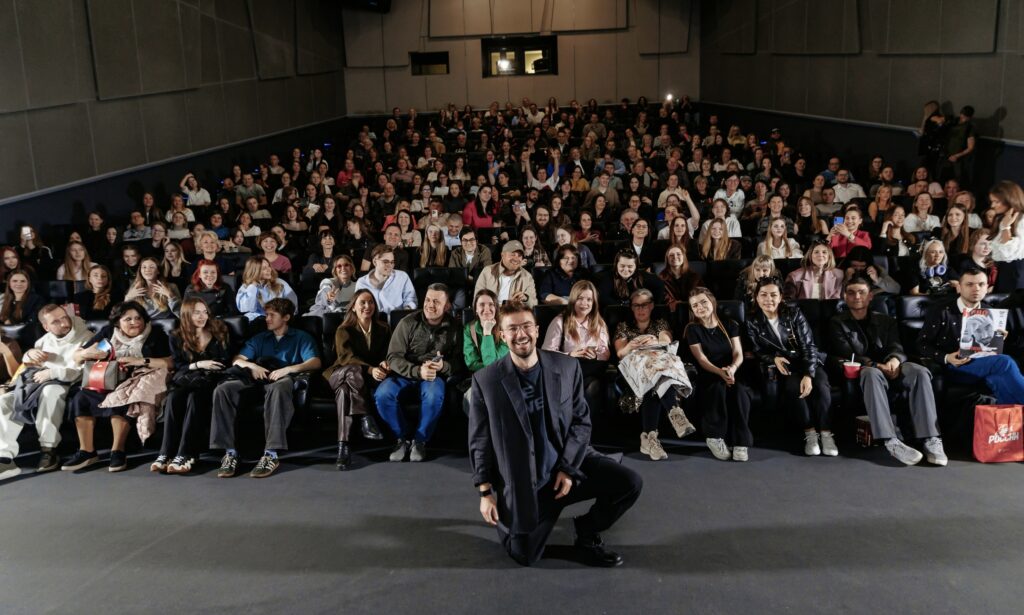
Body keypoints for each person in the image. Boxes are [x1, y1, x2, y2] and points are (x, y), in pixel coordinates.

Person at [469, 300, 643, 567]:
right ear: (502, 335)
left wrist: (568, 468)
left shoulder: (567, 366)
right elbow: (480, 440)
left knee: (629, 482)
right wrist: (485, 492)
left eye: (526, 326)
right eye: (512, 328)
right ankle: (517, 520)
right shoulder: (486, 381)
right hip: (526, 481)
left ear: (537, 330)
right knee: (523, 555)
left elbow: (581, 422)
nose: (521, 334)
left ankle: (587, 531)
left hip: (569, 463)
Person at [827, 277, 947, 466]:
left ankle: (930, 438)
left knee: (920, 371)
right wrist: (876, 365)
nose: (856, 296)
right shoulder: (837, 322)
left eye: (861, 292)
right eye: (851, 292)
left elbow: (896, 345)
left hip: (892, 365)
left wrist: (894, 359)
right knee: (871, 374)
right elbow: (846, 352)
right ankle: (890, 440)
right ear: (844, 297)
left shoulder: (886, 320)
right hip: (866, 368)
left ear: (870, 296)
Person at [211, 298, 321, 478]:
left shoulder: (301, 337)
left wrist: (288, 369)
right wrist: (252, 366)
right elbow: (237, 360)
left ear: (286, 317)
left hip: (283, 379)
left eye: (271, 315)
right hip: (257, 380)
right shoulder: (260, 338)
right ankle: (230, 453)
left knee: (278, 388)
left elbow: (315, 362)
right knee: (223, 389)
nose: (267, 319)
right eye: (266, 315)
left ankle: (271, 454)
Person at [64, 302, 172, 473]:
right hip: (108, 378)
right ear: (117, 322)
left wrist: (140, 361)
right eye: (128, 319)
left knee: (122, 397)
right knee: (81, 397)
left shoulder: (155, 334)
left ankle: (118, 451)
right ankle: (87, 451)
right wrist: (87, 353)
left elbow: (170, 362)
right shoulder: (108, 334)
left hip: (139, 378)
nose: (135, 322)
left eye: (138, 318)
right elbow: (77, 356)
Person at [745, 278, 835, 456]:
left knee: (821, 386)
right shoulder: (752, 320)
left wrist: (808, 374)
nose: (768, 299)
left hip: (808, 361)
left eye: (773, 295)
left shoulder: (794, 313)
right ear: (756, 297)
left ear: (780, 297)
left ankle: (826, 434)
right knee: (794, 388)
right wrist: (773, 358)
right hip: (786, 365)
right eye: (763, 295)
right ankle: (810, 433)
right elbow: (757, 350)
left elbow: (809, 346)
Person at [0, 305, 92, 478]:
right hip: (37, 383)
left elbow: (81, 372)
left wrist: (52, 373)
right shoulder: (44, 340)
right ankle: (5, 459)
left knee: (51, 391)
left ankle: (48, 450)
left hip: (66, 382)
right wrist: (29, 355)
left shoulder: (86, 337)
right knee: (4, 402)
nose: (64, 323)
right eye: (55, 321)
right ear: (46, 327)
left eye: (64, 317)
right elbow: (29, 366)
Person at [374, 284, 463, 462]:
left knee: (433, 396)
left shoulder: (455, 327)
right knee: (382, 395)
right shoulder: (407, 322)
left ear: (447, 306)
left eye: (436, 302)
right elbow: (393, 357)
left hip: (433, 376)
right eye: (428, 300)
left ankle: (420, 440)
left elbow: (459, 361)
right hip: (404, 374)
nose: (430, 305)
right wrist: (416, 371)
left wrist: (443, 366)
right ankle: (402, 438)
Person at [918, 267, 1024, 404]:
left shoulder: (991, 311)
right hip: (954, 366)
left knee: (998, 380)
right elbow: (921, 344)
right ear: (959, 287)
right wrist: (946, 357)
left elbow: (991, 348)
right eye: (969, 284)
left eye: (981, 284)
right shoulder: (941, 311)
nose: (976, 289)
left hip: (985, 362)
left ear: (987, 288)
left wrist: (999, 339)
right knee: (1005, 362)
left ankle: (1010, 416)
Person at [152, 298, 232, 475]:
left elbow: (225, 361)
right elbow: (178, 365)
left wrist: (207, 367)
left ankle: (186, 454)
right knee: (173, 397)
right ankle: (166, 452)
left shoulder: (219, 330)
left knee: (195, 398)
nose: (202, 316)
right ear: (187, 314)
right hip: (190, 378)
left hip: (212, 379)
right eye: (197, 313)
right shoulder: (176, 336)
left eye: (204, 312)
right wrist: (198, 364)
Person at [614, 289, 695, 460]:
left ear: (651, 306)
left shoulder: (660, 323)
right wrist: (631, 346)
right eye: (636, 305)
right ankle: (674, 412)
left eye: (644, 305)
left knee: (654, 380)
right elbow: (620, 353)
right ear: (631, 307)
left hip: (657, 368)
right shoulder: (623, 326)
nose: (640, 309)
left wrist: (655, 341)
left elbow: (666, 341)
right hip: (634, 370)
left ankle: (649, 438)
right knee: (655, 375)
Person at [684, 288, 753, 462]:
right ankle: (714, 437)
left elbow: (738, 353)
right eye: (695, 305)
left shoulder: (731, 324)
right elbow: (701, 359)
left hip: (732, 370)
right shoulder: (692, 329)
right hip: (709, 371)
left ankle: (741, 442)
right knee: (717, 389)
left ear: (712, 302)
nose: (700, 307)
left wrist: (732, 369)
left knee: (739, 391)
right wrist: (720, 372)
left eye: (703, 302)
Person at [324, 289, 388, 471]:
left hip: (356, 382)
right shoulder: (343, 329)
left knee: (344, 393)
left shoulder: (383, 328)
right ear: (353, 307)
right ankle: (366, 417)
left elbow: (387, 353)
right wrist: (370, 369)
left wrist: (385, 363)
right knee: (354, 369)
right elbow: (347, 358)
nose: (367, 306)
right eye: (362, 303)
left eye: (371, 302)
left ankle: (343, 448)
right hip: (339, 374)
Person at [541, 280, 610, 415]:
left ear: (594, 302)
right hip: (566, 369)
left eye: (589, 299)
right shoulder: (560, 321)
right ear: (573, 300)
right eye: (580, 298)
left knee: (594, 385)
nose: (585, 303)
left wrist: (596, 355)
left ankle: (587, 425)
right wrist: (570, 355)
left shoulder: (599, 323)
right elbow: (547, 353)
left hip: (589, 369)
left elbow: (605, 353)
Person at [461, 289, 509, 413]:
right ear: (476, 309)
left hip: (504, 377)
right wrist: (488, 370)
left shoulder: (505, 328)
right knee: (471, 399)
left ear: (496, 308)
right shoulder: (469, 329)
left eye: (491, 304)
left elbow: (491, 362)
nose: (486, 309)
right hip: (480, 377)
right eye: (482, 305)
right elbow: (471, 362)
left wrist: (487, 333)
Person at [354, 245, 417, 315]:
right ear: (375, 262)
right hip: (373, 319)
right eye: (385, 262)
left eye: (392, 262)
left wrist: (406, 311)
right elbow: (359, 306)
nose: (390, 265)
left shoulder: (402, 277)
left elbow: (411, 299)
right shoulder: (362, 283)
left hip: (398, 319)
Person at [474, 241, 538, 307]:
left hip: (514, 312)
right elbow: (477, 300)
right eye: (513, 254)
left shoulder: (527, 277)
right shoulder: (488, 272)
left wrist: (526, 298)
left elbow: (534, 304)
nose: (516, 259)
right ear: (502, 255)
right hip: (491, 311)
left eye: (519, 256)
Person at [235, 256, 299, 322]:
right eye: (264, 268)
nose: (269, 269)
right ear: (255, 271)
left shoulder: (280, 282)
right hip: (256, 321)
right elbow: (247, 309)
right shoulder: (245, 287)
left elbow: (293, 304)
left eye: (269, 266)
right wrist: (253, 287)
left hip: (278, 319)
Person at [988, 180, 1024, 293]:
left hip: (1016, 274)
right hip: (1002, 271)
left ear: (1009, 200)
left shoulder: (1022, 220)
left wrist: (1006, 227)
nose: (992, 206)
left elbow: (1009, 253)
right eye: (992, 201)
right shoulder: (1001, 218)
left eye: (996, 202)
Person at [659, 245, 703, 312]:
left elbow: (700, 293)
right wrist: (673, 302)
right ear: (667, 259)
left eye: (678, 254)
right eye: (671, 255)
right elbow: (661, 296)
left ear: (684, 257)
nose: (675, 257)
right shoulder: (661, 277)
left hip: (692, 310)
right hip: (670, 312)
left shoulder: (694, 277)